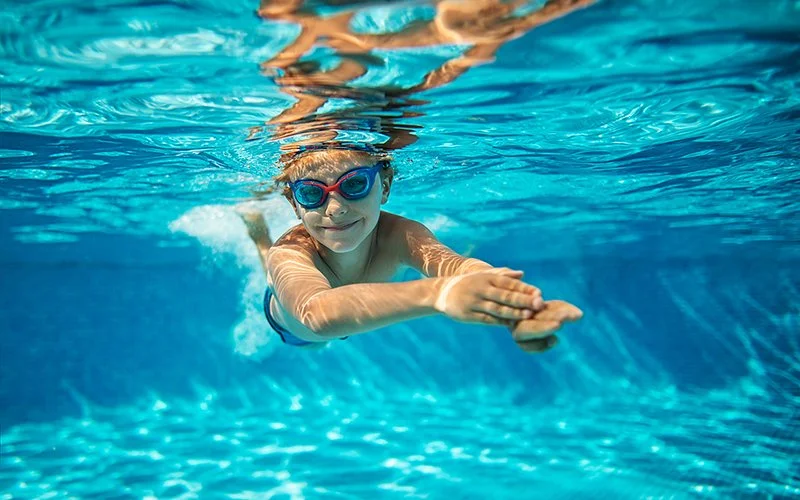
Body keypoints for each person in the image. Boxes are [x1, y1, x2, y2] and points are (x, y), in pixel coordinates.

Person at [239, 144, 583, 353]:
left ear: (384, 185)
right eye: (312, 193)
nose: (335, 208)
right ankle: (258, 232)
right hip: (293, 328)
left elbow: (457, 268)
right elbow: (317, 314)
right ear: (294, 203)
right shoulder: (292, 252)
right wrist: (440, 295)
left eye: (355, 184)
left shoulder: (402, 235)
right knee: (270, 264)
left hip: (346, 323)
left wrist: (517, 307)